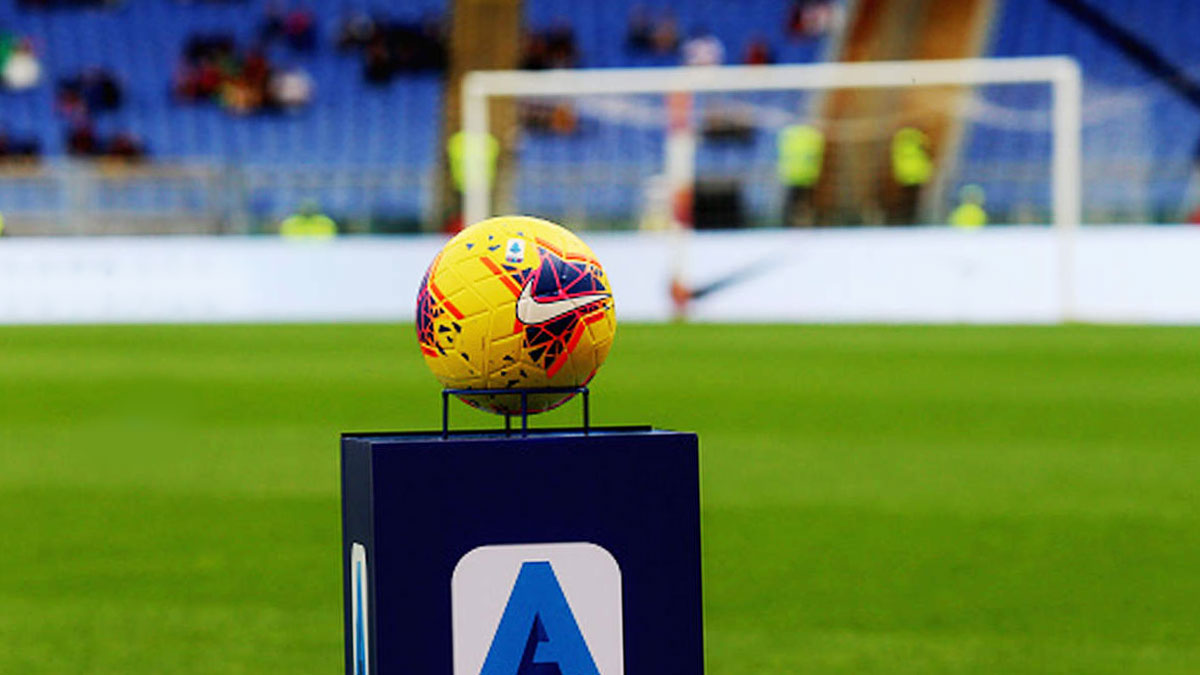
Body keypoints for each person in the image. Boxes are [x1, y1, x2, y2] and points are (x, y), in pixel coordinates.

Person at [777, 123, 824, 226]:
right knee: (794, 203)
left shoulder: (792, 135)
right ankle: (791, 224)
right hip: (796, 178)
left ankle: (807, 223)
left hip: (806, 178)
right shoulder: (791, 136)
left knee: (804, 202)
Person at [891, 126, 933, 224]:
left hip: (906, 177)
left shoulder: (901, 139)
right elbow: (926, 151)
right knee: (915, 201)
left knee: (908, 201)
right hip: (916, 176)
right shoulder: (918, 139)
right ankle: (913, 219)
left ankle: (909, 219)